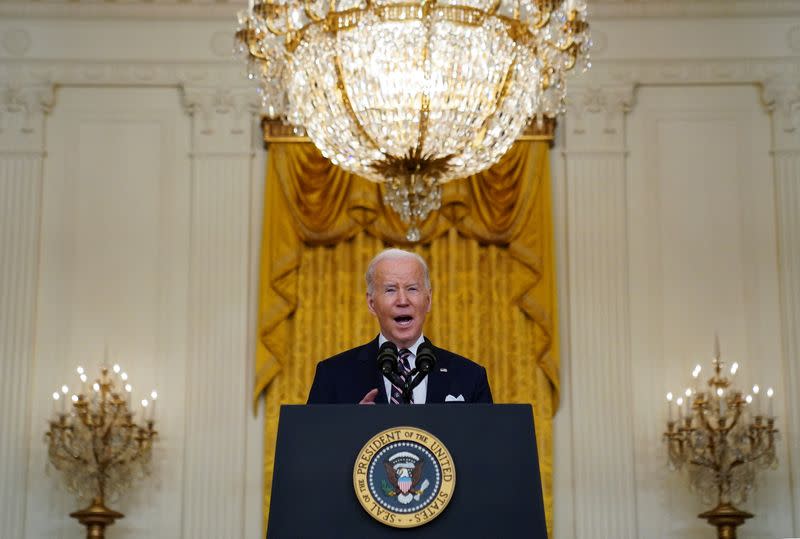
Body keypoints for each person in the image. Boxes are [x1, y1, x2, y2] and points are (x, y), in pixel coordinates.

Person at [307, 248, 493, 404]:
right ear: (372, 304)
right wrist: (353, 427)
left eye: (412, 288)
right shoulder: (333, 375)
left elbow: (488, 444)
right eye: (390, 290)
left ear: (428, 301)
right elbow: (312, 444)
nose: (402, 300)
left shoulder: (469, 376)